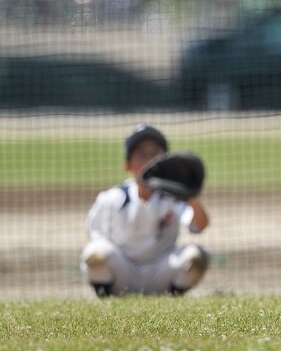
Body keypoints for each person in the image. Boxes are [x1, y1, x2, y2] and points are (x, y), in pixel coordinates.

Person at [79, 124, 210, 297]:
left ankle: (173, 300)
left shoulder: (172, 197)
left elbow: (200, 226)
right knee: (95, 252)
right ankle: (107, 299)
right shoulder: (112, 198)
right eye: (142, 155)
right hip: (122, 272)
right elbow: (95, 235)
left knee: (196, 256)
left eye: (156, 154)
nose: (149, 160)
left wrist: (191, 196)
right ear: (127, 165)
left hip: (161, 271)